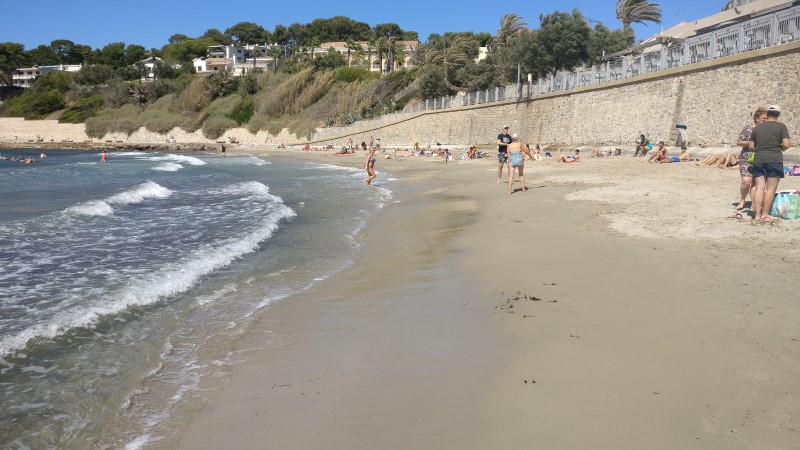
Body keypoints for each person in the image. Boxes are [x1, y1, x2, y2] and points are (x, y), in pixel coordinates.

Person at [748, 104, 792, 222]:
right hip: (774, 158)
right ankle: (765, 214)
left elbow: (751, 146)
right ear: (778, 115)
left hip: (759, 159)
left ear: (767, 114)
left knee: (759, 187)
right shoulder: (781, 127)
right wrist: (779, 148)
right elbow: (787, 144)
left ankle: (757, 215)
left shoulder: (757, 128)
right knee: (771, 188)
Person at [735, 106, 768, 210]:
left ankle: (754, 203)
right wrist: (752, 143)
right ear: (757, 118)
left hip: (761, 157)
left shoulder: (767, 130)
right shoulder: (748, 128)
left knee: (755, 182)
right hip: (747, 157)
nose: (766, 120)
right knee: (746, 181)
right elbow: (739, 142)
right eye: (764, 118)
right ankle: (742, 199)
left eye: (767, 118)